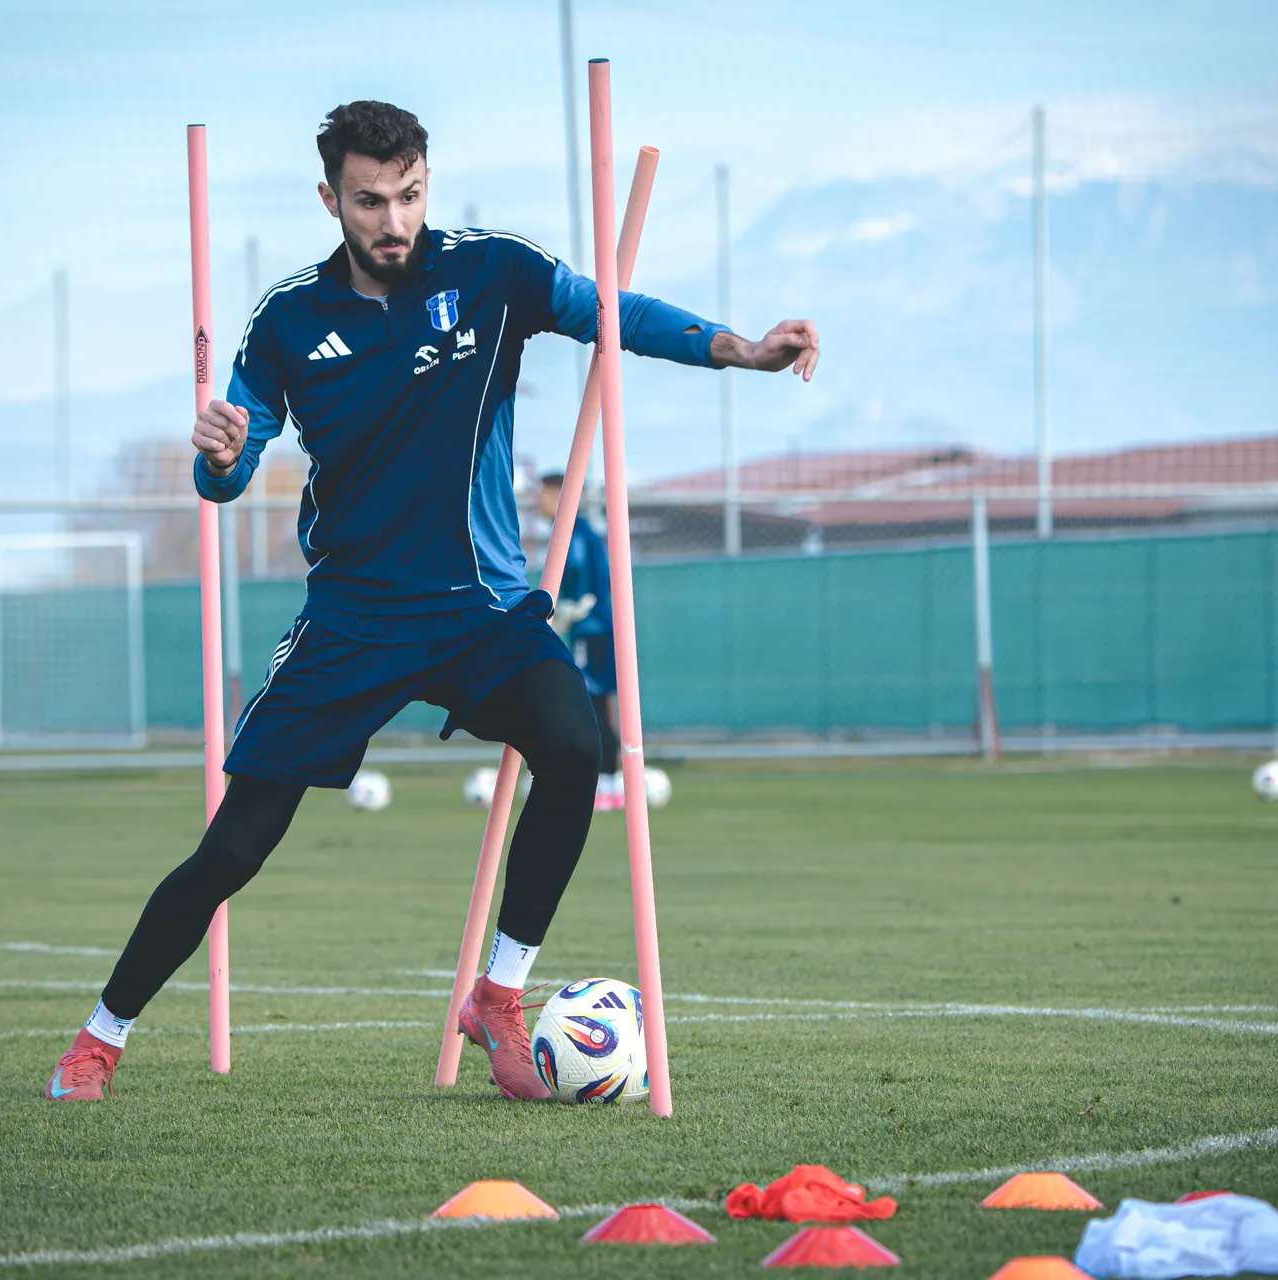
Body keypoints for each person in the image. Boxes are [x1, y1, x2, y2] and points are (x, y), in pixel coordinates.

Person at [45, 100, 818, 1103]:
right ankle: (98, 1039)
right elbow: (226, 472)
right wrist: (222, 461)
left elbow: (616, 313)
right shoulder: (287, 320)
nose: (394, 219)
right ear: (330, 199)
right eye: (370, 200)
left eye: (409, 194)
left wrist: (741, 350)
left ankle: (499, 993)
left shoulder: (492, 271)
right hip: (350, 619)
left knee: (575, 743)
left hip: (479, 610)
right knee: (233, 848)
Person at [534, 472, 624, 811]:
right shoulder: (573, 532)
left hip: (592, 630)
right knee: (591, 703)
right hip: (586, 629)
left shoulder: (575, 534)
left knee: (594, 702)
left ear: (559, 495)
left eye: (543, 494)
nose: (537, 501)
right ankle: (604, 779)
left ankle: (607, 781)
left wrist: (570, 610)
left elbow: (584, 584)